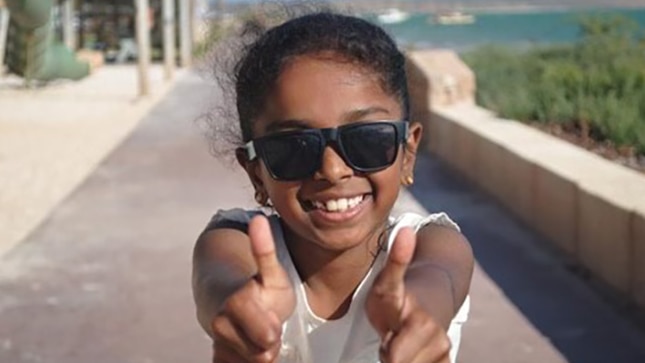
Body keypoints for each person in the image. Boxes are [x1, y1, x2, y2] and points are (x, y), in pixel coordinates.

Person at [192, 6, 474, 363]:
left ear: (408, 154)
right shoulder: (236, 242)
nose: (333, 170)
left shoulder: (432, 244)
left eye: (367, 139)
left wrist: (421, 311)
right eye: (294, 146)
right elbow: (216, 281)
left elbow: (439, 277)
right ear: (255, 172)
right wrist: (240, 308)